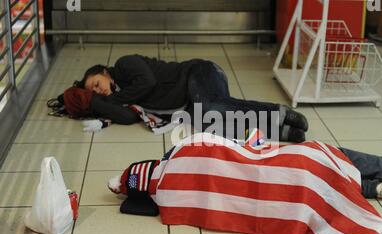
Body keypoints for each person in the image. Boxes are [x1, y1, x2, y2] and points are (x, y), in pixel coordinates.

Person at [107, 132, 382, 234]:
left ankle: (381, 189)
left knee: (317, 185)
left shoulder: (170, 204)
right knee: (327, 155)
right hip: (283, 167)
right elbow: (232, 145)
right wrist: (259, 145)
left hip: (286, 197)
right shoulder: (183, 149)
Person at [65, 55, 310, 142]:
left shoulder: (124, 65)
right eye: (94, 91)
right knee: (210, 123)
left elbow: (148, 82)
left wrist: (113, 100)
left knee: (211, 107)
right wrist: (97, 104)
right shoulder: (123, 96)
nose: (99, 91)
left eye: (97, 84)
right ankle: (283, 132)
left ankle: (279, 113)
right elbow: (129, 117)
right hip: (191, 99)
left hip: (200, 72)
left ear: (105, 72)